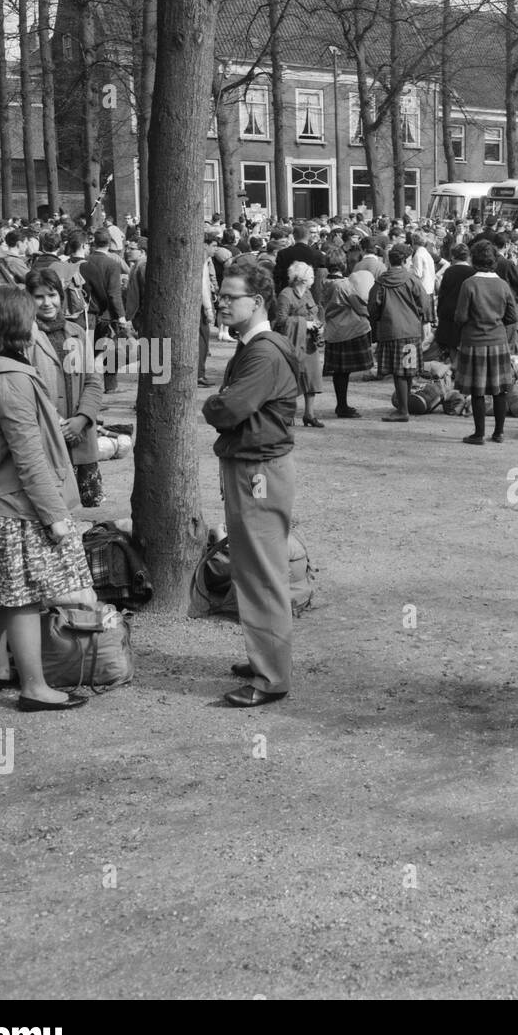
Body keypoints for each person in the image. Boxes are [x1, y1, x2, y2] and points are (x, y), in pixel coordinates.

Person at [0, 286, 94, 711]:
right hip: (13, 505)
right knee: (24, 599)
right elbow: (30, 459)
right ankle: (34, 688)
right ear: (18, 327)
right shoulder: (13, 380)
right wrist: (57, 517)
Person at [201, 264, 300, 707]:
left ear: (257, 301)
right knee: (253, 568)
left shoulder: (262, 353)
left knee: (261, 574)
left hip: (258, 469)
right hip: (254, 466)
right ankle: (265, 656)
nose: (221, 302)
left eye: (230, 296)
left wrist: (212, 404)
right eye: (220, 295)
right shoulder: (255, 346)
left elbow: (229, 408)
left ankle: (270, 676)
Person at [26, 268, 105, 507]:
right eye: (39, 297)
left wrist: (82, 418)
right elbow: (27, 389)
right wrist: (57, 423)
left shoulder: (77, 332)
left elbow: (93, 380)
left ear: (61, 297)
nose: (47, 302)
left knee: (74, 505)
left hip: (79, 433)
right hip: (46, 433)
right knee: (50, 504)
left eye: (52, 295)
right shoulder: (24, 336)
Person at [453, 240, 518, 444]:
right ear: (494, 261)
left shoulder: (469, 284)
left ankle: (479, 433)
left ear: (474, 259)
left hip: (474, 341)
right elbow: (512, 316)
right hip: (498, 340)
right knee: (500, 390)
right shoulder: (503, 284)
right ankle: (498, 432)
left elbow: (461, 316)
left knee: (477, 391)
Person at [369, 244, 432, 425]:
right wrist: (419, 315)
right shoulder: (412, 280)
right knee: (408, 369)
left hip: (391, 331)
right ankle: (404, 406)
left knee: (398, 372)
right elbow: (425, 303)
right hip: (411, 330)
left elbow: (373, 306)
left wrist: (378, 319)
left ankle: (403, 409)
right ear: (405, 261)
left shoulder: (381, 282)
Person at [320, 249, 373, 419]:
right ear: (343, 264)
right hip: (348, 331)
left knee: (339, 372)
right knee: (344, 372)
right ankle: (342, 406)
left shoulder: (324, 282)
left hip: (333, 329)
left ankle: (341, 404)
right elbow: (359, 307)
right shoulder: (344, 285)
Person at [276, 260, 324, 428]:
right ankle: (288, 414)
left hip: (309, 342)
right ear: (302, 278)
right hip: (292, 342)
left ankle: (309, 414)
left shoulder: (308, 294)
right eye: (311, 276)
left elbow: (314, 313)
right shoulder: (286, 295)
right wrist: (304, 324)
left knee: (312, 377)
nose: (313, 278)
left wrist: (317, 325)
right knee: (291, 379)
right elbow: (280, 320)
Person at [79, 228, 129, 392]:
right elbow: (114, 293)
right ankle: (110, 385)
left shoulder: (85, 262)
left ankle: (87, 386)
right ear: (110, 243)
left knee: (90, 351)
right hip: (106, 313)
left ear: (94, 243)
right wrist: (121, 315)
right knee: (110, 350)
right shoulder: (112, 264)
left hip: (88, 312)